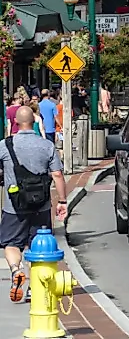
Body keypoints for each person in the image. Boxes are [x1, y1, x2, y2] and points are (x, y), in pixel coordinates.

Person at [1, 106, 67, 303]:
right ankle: (34, 287)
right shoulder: (46, 145)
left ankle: (16, 270)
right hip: (41, 205)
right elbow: (57, 174)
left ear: (15, 123)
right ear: (34, 121)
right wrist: (62, 201)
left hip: (14, 207)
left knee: (11, 243)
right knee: (37, 246)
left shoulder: (5, 146)